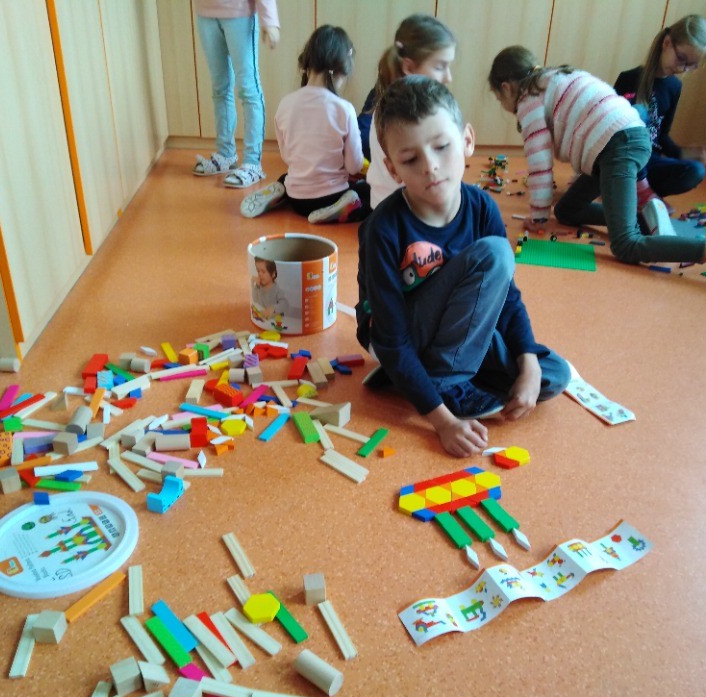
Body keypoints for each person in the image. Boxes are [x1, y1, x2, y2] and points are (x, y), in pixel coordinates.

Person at [356, 77, 571, 458]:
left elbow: (506, 298)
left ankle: (417, 378)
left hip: (455, 329)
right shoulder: (382, 229)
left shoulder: (482, 207)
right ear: (392, 169)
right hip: (400, 334)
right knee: (495, 254)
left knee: (552, 373)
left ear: (467, 140)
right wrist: (443, 421)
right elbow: (390, 338)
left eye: (441, 147)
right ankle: (441, 383)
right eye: (411, 160)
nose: (431, 166)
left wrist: (528, 364)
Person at [487, 46, 706, 279]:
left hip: (615, 146)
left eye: (500, 99)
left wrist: (538, 216)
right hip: (622, 139)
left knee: (626, 245)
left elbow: (539, 163)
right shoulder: (557, 75)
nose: (504, 105)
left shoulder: (528, 100)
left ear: (507, 88)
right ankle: (642, 217)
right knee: (566, 209)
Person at [240, 25, 370, 224]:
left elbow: (287, 156)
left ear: (307, 65)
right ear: (341, 70)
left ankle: (281, 191)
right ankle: (342, 207)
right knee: (369, 192)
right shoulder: (344, 109)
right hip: (332, 195)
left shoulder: (285, 104)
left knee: (288, 176)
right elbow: (354, 166)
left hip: (297, 199)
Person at [614, 15, 706, 206]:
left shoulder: (674, 87)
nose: (683, 68)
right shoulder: (629, 78)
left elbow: (661, 137)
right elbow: (609, 129)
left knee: (696, 171)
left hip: (650, 163)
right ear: (667, 43)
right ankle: (633, 192)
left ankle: (642, 195)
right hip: (625, 160)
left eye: (691, 65)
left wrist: (684, 154)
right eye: (681, 59)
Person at [366, 14, 457, 210]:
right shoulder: (404, 118)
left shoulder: (409, 110)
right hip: (399, 211)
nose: (448, 77)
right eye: (440, 66)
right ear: (408, 67)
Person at [192, 0, 280, 188]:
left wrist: (269, 20)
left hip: (240, 14)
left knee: (249, 89)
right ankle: (226, 155)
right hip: (205, 13)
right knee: (220, 88)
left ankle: (252, 163)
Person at [251, 257, 290, 326]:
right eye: (258, 271)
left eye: (263, 271)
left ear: (273, 274)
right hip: (264, 321)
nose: (260, 274)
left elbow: (285, 304)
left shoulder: (277, 290)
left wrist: (273, 308)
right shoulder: (259, 287)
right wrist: (253, 284)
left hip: (276, 322)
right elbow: (255, 299)